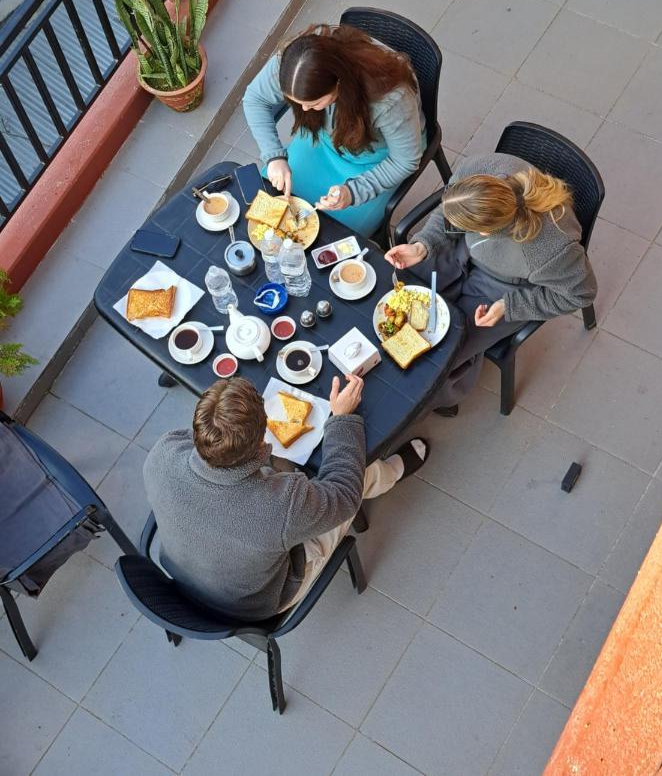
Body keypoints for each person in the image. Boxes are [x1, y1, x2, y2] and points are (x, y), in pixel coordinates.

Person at [143, 375, 428, 620]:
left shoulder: (162, 452)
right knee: (357, 475)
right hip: (257, 603)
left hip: (183, 576)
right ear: (260, 443)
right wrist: (342, 419)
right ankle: (389, 473)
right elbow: (344, 493)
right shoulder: (282, 505)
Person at [385, 152, 597, 415]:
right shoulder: (481, 167)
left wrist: (508, 307)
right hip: (466, 249)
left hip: (507, 287)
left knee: (439, 352)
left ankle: (444, 394)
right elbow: (447, 213)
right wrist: (423, 244)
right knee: (401, 293)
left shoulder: (550, 250)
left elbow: (581, 294)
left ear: (484, 231)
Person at [242, 24, 426, 237]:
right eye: (296, 102)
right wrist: (274, 157)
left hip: (374, 162)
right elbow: (255, 99)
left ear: (339, 83)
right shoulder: (296, 61)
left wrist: (352, 192)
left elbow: (405, 160)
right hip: (322, 140)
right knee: (265, 206)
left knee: (333, 238)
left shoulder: (391, 99)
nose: (303, 110)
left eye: (313, 103)